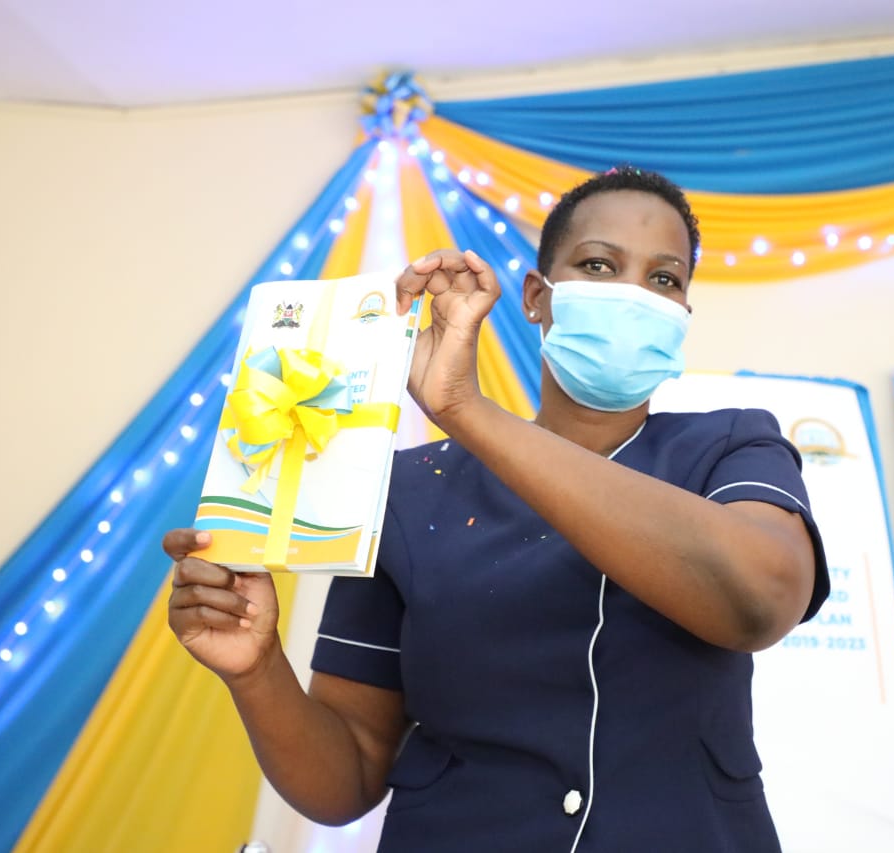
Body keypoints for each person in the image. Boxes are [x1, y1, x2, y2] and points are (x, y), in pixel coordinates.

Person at [164, 166, 829, 851]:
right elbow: (347, 779)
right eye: (599, 265)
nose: (633, 296)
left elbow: (761, 597)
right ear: (538, 298)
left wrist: (466, 412)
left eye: (664, 279)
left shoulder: (730, 444)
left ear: (684, 311)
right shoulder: (406, 492)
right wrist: (257, 667)